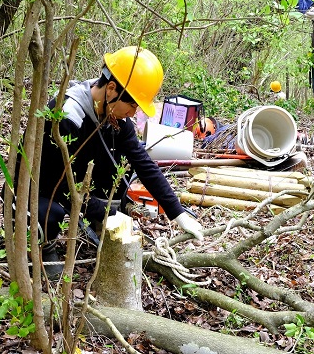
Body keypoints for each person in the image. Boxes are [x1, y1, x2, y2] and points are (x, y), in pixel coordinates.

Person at [11, 46, 204, 277]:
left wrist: (177, 212)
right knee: (50, 211)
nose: (133, 113)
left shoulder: (116, 118)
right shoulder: (66, 116)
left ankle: (97, 222)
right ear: (111, 88)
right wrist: (104, 212)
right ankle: (45, 246)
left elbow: (143, 163)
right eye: (132, 105)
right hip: (37, 189)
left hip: (72, 182)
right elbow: (59, 186)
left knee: (117, 161)